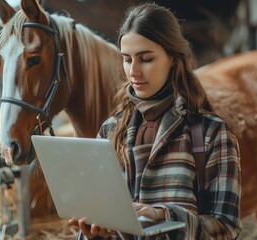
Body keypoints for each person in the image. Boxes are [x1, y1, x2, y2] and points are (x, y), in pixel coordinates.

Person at [69, 3, 242, 239]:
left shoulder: (211, 132)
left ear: (172, 57)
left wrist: (162, 216)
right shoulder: (110, 130)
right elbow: (103, 217)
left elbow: (226, 228)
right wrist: (92, 233)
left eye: (146, 59)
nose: (134, 72)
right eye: (127, 59)